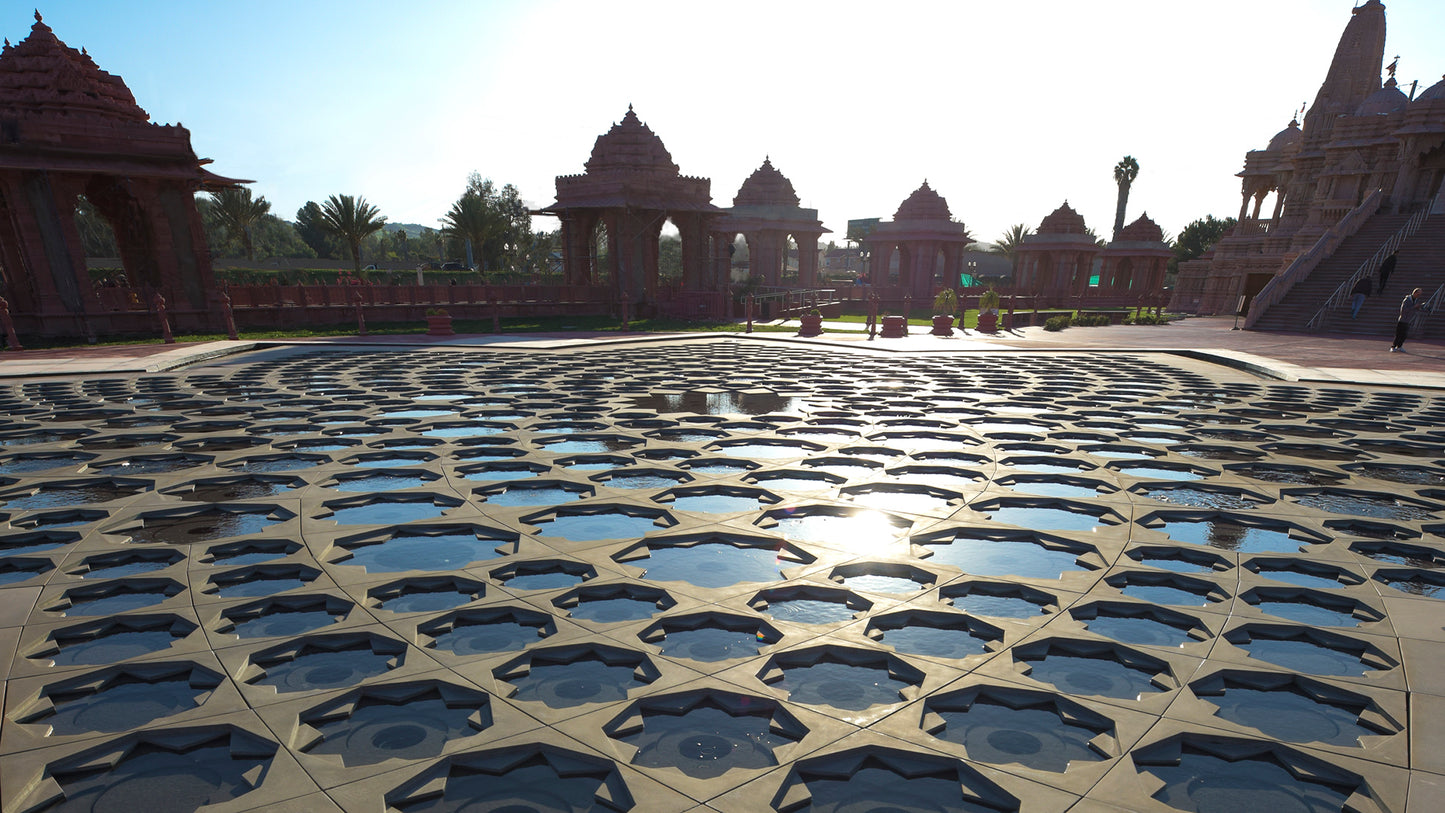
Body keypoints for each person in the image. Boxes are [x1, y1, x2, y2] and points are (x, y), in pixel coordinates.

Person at [1390, 287, 1429, 352]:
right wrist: (1414, 307)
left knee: (1404, 335)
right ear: (1415, 293)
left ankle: (1399, 346)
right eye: (1418, 294)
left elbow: (1415, 309)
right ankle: (1393, 346)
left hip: (1408, 320)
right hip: (1403, 319)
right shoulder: (1407, 300)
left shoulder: (1415, 300)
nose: (1419, 296)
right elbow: (1404, 310)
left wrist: (1419, 307)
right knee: (1399, 334)